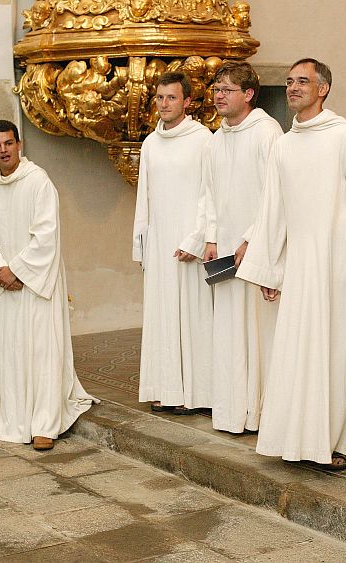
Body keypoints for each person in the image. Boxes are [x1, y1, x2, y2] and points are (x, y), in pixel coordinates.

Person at [236, 58, 346, 468]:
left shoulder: (343, 136)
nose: (292, 88)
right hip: (302, 263)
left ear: (323, 89)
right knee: (299, 349)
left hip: (340, 260)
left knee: (339, 348)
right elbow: (274, 210)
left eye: (302, 82)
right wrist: (270, 268)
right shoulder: (284, 144)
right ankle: (303, 439)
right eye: (288, 82)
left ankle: (343, 440)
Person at [0, 119, 98, 451]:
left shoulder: (39, 182)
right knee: (11, 354)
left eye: (8, 143)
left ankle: (44, 423)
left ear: (19, 144)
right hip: (7, 287)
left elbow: (46, 235)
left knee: (41, 352)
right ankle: (14, 418)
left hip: (36, 285)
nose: (4, 150)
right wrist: (0, 271)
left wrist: (18, 271)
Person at [199, 61, 283, 434]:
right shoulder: (217, 138)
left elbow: (274, 194)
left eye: (226, 90)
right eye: (216, 89)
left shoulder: (267, 133)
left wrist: (251, 237)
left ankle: (263, 412)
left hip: (258, 246)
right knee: (230, 330)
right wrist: (213, 236)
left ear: (248, 95)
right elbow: (211, 193)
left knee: (259, 332)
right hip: (226, 251)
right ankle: (234, 409)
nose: (218, 96)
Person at [132, 71, 214, 415]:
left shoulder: (203, 139)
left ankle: (196, 393)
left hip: (188, 243)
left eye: (171, 97)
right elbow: (144, 197)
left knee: (192, 317)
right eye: (160, 98)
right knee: (162, 317)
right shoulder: (151, 143)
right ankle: (165, 388)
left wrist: (196, 238)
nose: (164, 104)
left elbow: (210, 192)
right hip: (159, 241)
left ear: (187, 102)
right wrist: (141, 244)